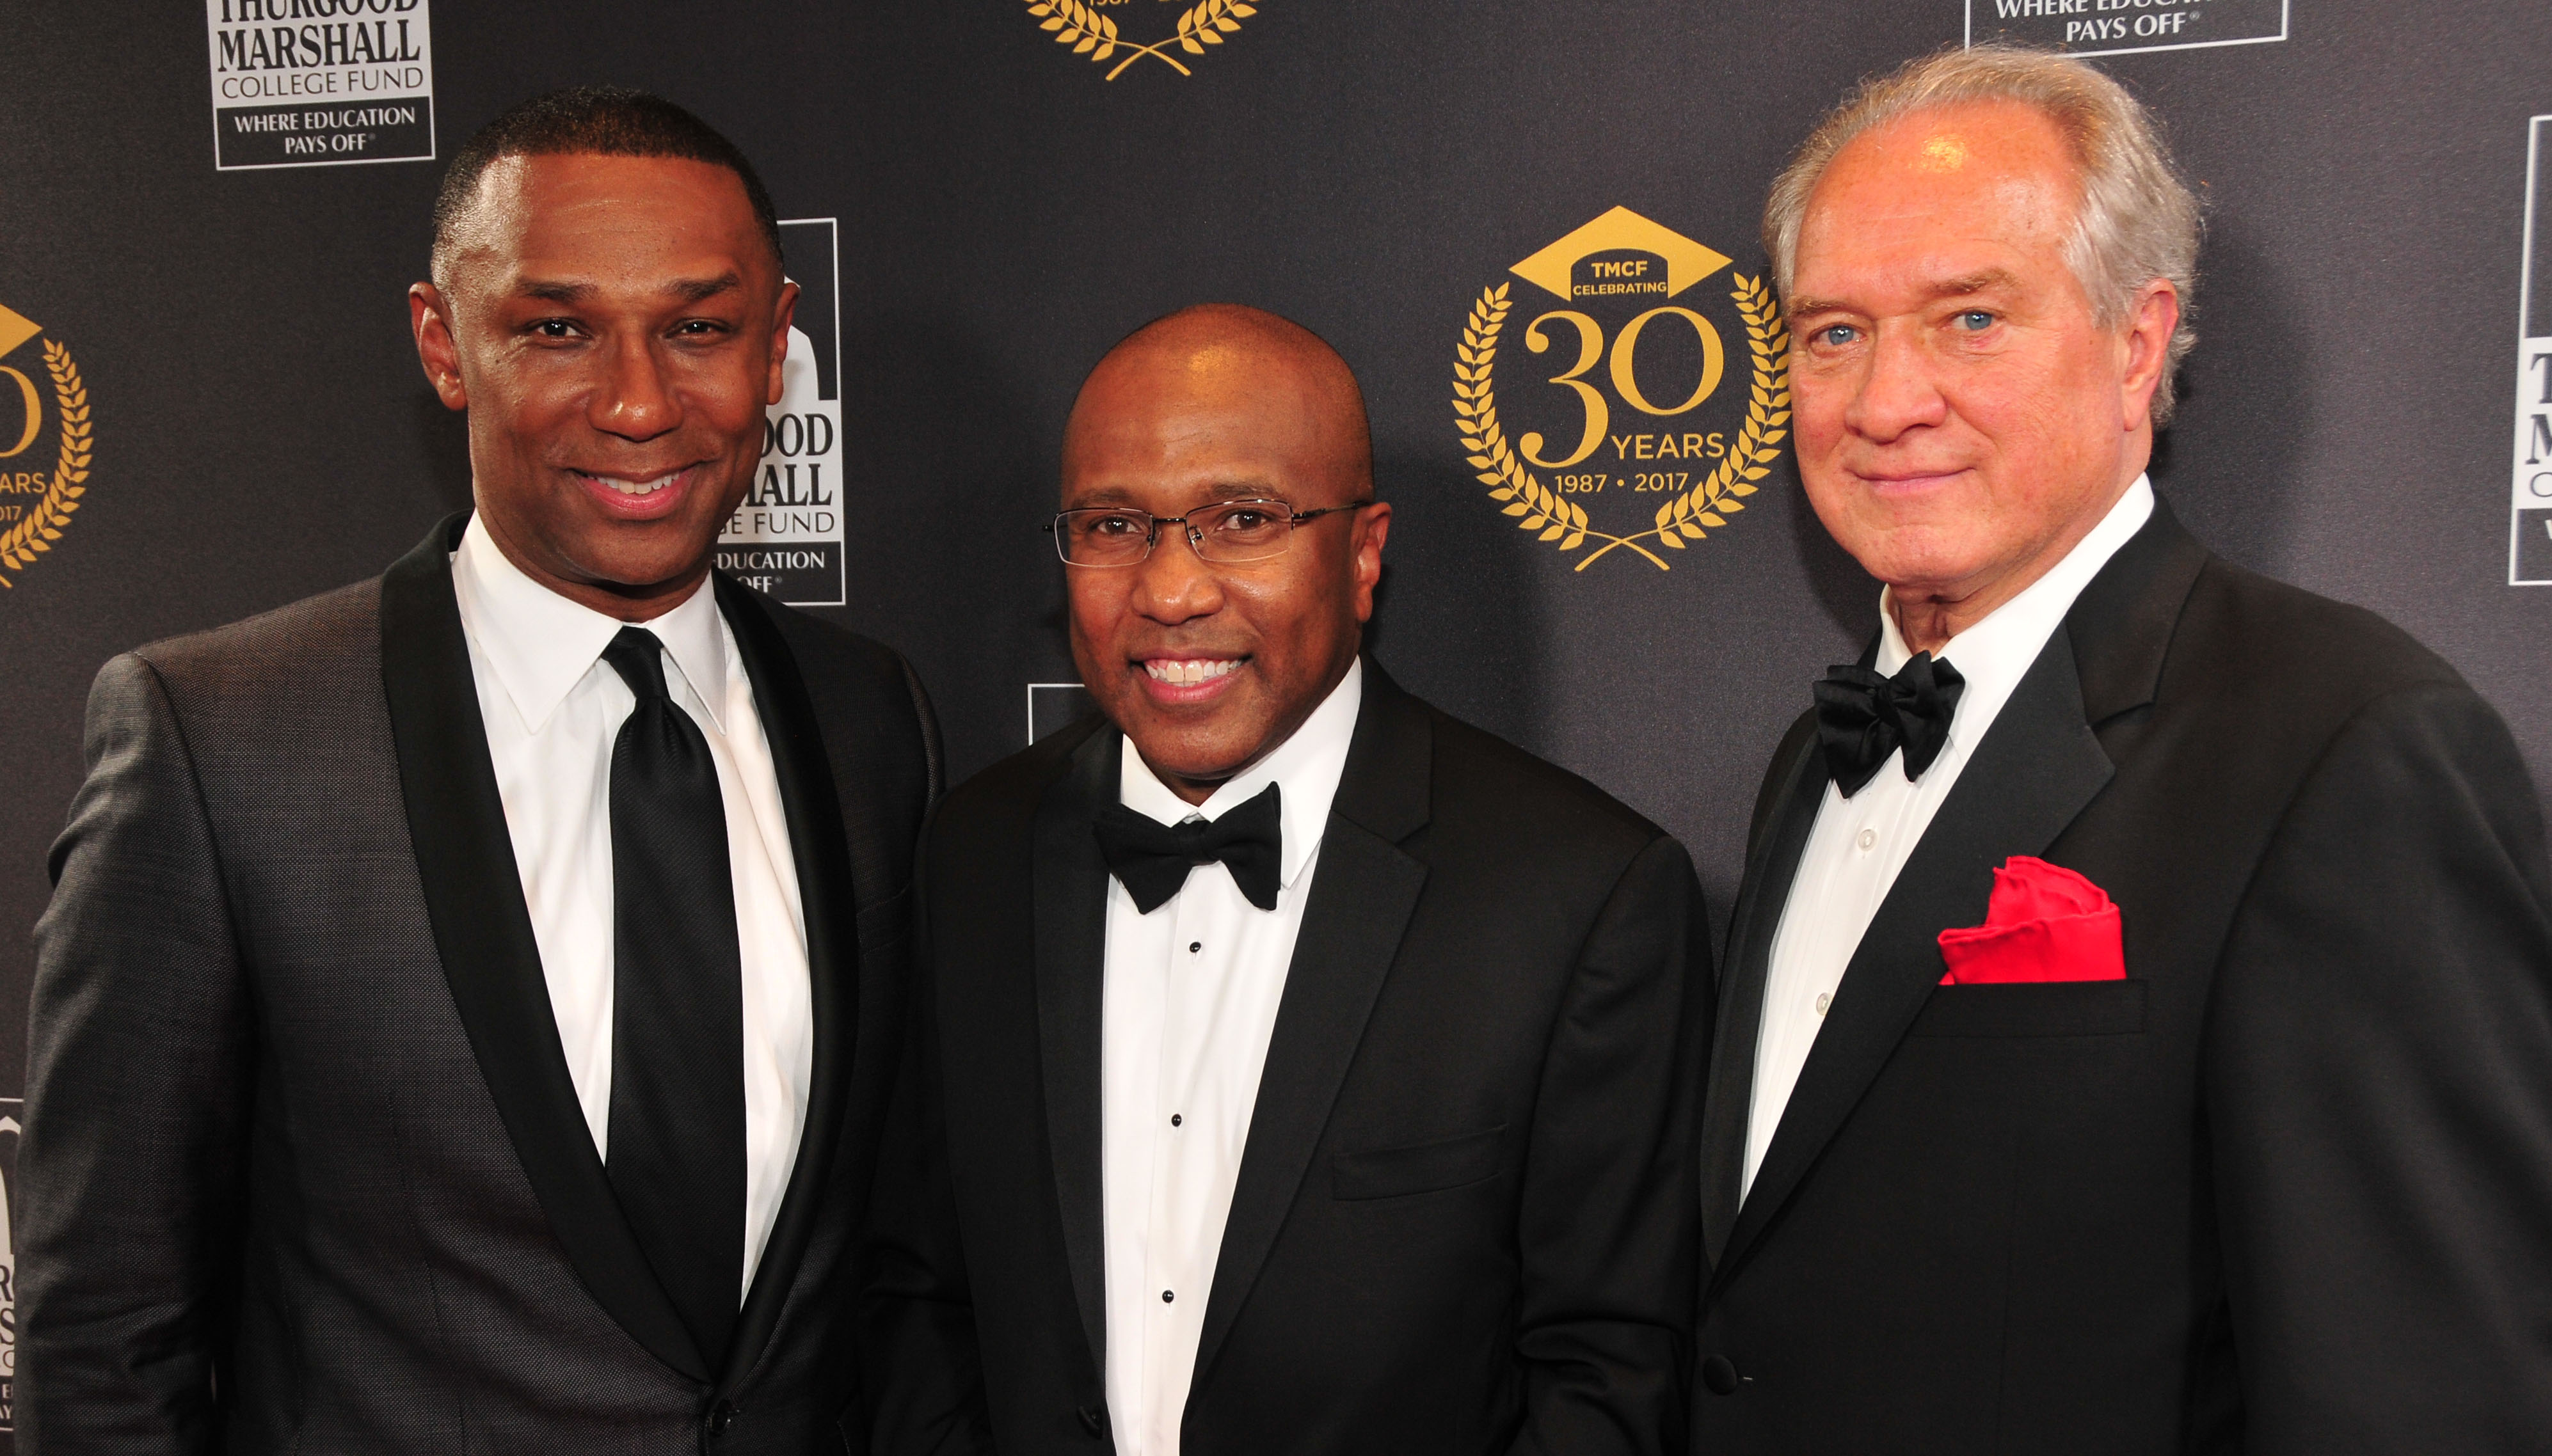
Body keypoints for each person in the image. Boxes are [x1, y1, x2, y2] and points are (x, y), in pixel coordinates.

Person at [22, 88, 939, 1453]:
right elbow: (105, 1328)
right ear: (443, 343)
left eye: (698, 327)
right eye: (556, 328)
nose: (638, 401)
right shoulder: (218, 736)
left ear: (777, 342)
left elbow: (888, 1267)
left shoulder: (869, 716)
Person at [1695, 45, 2552, 1452]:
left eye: (1967, 320)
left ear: (2136, 345)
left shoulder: (2345, 745)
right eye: (1830, 332)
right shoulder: (1814, 757)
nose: (1882, 399)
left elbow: (2421, 1392)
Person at [863, 304, 1711, 1455]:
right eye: (1116, 524)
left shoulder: (1580, 896)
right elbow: (922, 1293)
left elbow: (1606, 1372)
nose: (1169, 590)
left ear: (1362, 554)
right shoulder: (973, 851)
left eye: (1242, 519)